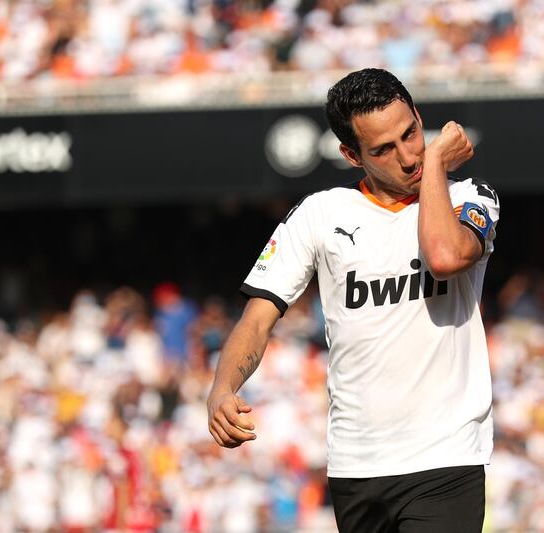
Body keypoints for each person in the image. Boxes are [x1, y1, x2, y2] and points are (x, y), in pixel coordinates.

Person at [207, 68, 499, 532]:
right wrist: (222, 390)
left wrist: (439, 164)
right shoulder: (321, 214)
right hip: (355, 466)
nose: (408, 157)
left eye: (411, 134)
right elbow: (257, 318)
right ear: (350, 155)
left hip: (446, 459)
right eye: (383, 149)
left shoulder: (469, 197)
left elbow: (444, 256)